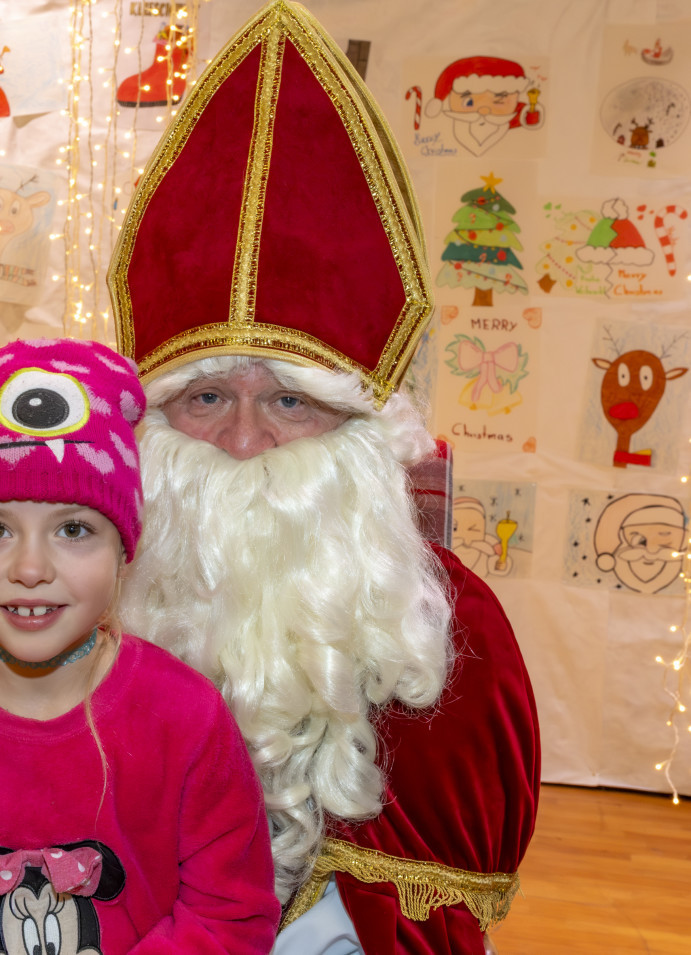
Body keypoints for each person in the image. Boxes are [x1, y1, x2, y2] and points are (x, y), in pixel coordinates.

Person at [108, 2, 540, 952]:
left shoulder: (455, 637)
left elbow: (427, 917)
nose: (245, 440)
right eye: (206, 397)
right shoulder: (87, 585)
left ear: (361, 432)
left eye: (289, 401)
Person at [0, 337, 280, 954]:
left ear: (123, 550)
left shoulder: (187, 717)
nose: (30, 568)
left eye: (73, 529)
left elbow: (229, 916)